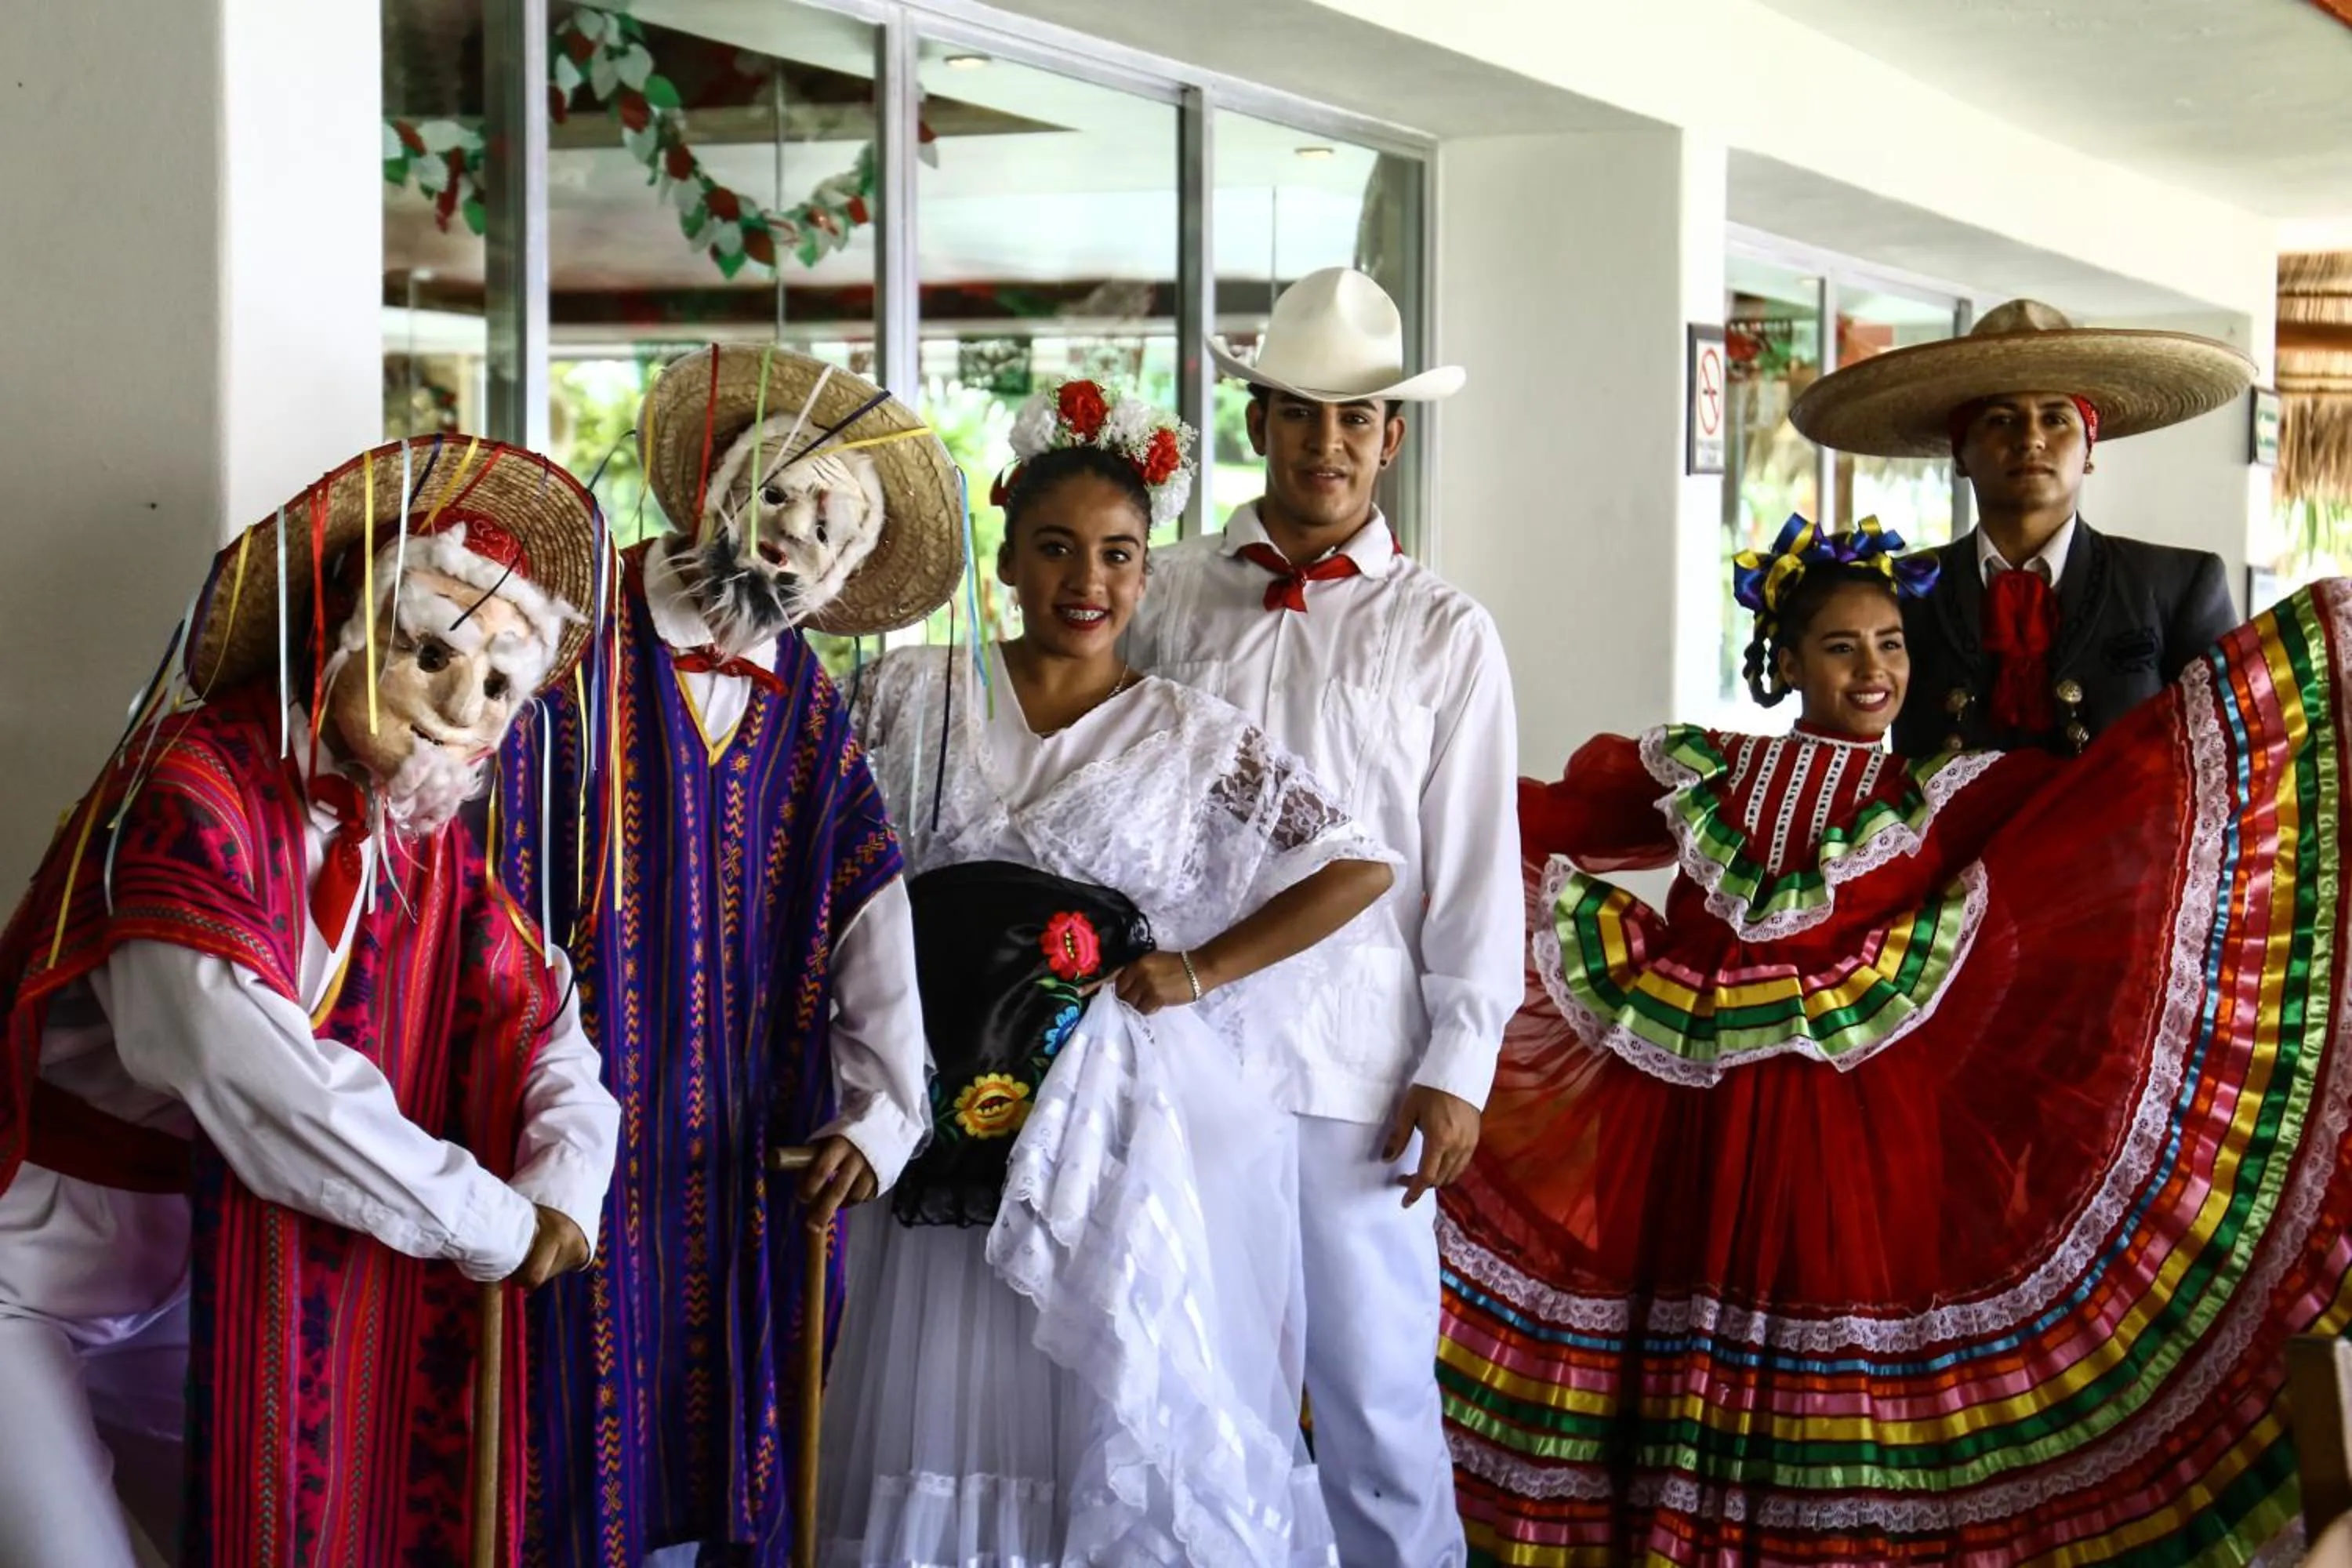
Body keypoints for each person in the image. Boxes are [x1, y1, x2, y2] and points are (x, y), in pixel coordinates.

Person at [1437, 514, 2352, 1564]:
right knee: (1690, 1326)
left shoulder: (1941, 790)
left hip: (1862, 1140)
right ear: (1786, 663)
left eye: (1893, 645)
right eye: (1841, 646)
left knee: (1849, 1347)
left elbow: (2118, 796)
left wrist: (2298, 670)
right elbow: (1533, 816)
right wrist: (1402, 803)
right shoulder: (1705, 770)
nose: (1874, 669)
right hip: (1698, 1124)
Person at [0, 437, 622, 1566]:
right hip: (22, 1267)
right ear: (336, 631)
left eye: (494, 684)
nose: (456, 703)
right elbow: (248, 1071)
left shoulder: (410, 834)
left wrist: (570, 1175)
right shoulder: (191, 788)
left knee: (280, 1532)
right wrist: (488, 1221)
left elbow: (543, 1010)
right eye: (428, 652)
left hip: (197, 1265)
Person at [818, 383, 1396, 1566]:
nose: (1089, 579)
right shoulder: (904, 695)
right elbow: (801, 843)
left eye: (1119, 555)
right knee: (931, 1362)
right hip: (926, 1086)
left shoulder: (1194, 734)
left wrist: (1199, 969)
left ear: (1147, 574)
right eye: (1057, 548)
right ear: (1010, 562)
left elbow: (1354, 865)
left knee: (1095, 1376)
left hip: (1104, 1111)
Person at [497, 347, 952, 1567]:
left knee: (736, 1436)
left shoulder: (809, 703)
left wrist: (882, 1114)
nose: (795, 536)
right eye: (780, 496)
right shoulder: (563, 651)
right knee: (555, 1450)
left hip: (745, 1147)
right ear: (711, 491)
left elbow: (871, 913)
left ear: (849, 572)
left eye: (832, 527)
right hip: (559, 1118)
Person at [1124, 266, 1521, 1566]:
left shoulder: (1443, 632)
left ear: (1393, 438)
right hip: (1178, 1059)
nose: (1328, 443)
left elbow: (1472, 869)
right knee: (1191, 1391)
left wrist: (1459, 1067)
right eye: (1301, 412)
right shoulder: (1165, 592)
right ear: (1259, 424)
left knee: (1377, 1401)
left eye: (1357, 420)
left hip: (1359, 1075)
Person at [1789, 297, 2255, 757]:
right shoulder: (1906, 588)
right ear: (1959, 455)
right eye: (2001, 420)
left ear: (2089, 451)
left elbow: (2227, 757)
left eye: (2055, 419)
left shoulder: (2177, 584)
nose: (2031, 438)